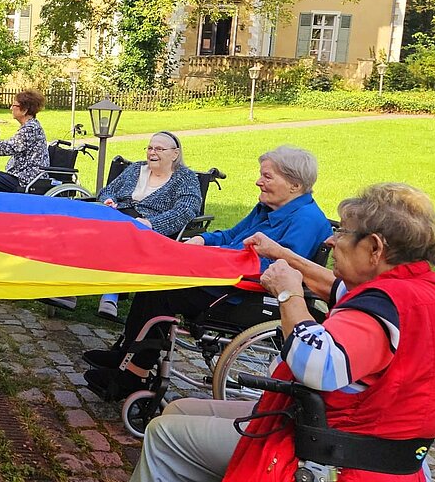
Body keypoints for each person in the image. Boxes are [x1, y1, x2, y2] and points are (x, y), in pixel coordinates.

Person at [72, 183, 435, 482]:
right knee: (179, 412)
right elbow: (337, 288)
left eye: (342, 231)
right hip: (375, 453)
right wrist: (285, 258)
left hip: (336, 462)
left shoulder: (378, 309)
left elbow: (317, 366)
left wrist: (287, 293)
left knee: (164, 435)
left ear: (374, 247)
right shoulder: (425, 292)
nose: (331, 239)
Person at [84, 145, 333, 397]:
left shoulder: (306, 221)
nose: (259, 182)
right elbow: (231, 235)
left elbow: (275, 273)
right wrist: (202, 240)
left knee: (162, 293)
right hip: (223, 278)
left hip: (244, 295)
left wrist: (212, 261)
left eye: (267, 177)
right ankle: (126, 352)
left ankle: (133, 374)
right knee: (153, 278)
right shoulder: (269, 208)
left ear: (295, 185)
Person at [93, 131, 204, 320]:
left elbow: (186, 210)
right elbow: (108, 190)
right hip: (118, 215)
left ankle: (111, 294)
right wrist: (109, 200)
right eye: (150, 148)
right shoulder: (136, 169)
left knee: (125, 233)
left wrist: (152, 223)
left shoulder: (185, 178)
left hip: (151, 228)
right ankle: (65, 287)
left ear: (175, 154)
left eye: (159, 149)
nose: (152, 152)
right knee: (80, 223)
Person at [0, 89, 49, 193]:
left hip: (26, 180)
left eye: (14, 105)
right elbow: (13, 146)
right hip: (19, 175)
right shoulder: (30, 126)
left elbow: (11, 146)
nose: (11, 108)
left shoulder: (31, 128)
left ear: (24, 110)